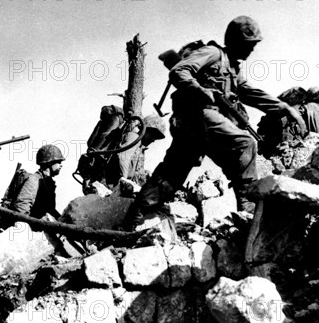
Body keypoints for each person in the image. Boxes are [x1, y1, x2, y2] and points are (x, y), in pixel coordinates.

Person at [122, 16, 307, 229]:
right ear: (236, 41)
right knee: (245, 143)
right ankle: (247, 203)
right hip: (196, 115)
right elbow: (179, 71)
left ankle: (135, 215)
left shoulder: (233, 69)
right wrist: (202, 91)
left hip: (197, 126)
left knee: (173, 173)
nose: (252, 50)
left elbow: (249, 93)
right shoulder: (213, 53)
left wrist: (284, 108)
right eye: (250, 44)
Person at [0, 144, 65, 235]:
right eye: (58, 162)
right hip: (24, 229)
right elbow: (21, 210)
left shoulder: (48, 183)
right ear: (49, 162)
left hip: (38, 227)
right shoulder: (34, 180)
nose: (61, 165)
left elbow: (50, 210)